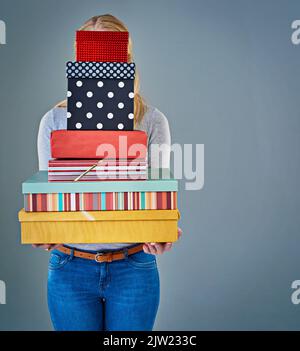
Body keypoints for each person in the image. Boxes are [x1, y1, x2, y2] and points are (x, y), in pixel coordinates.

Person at [34, 14, 182, 331]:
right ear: (77, 62)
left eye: (108, 54)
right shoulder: (53, 122)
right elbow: (53, 195)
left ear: (126, 61)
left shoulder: (153, 121)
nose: (98, 64)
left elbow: (156, 195)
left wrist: (162, 230)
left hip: (133, 267)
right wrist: (44, 229)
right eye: (89, 55)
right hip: (70, 267)